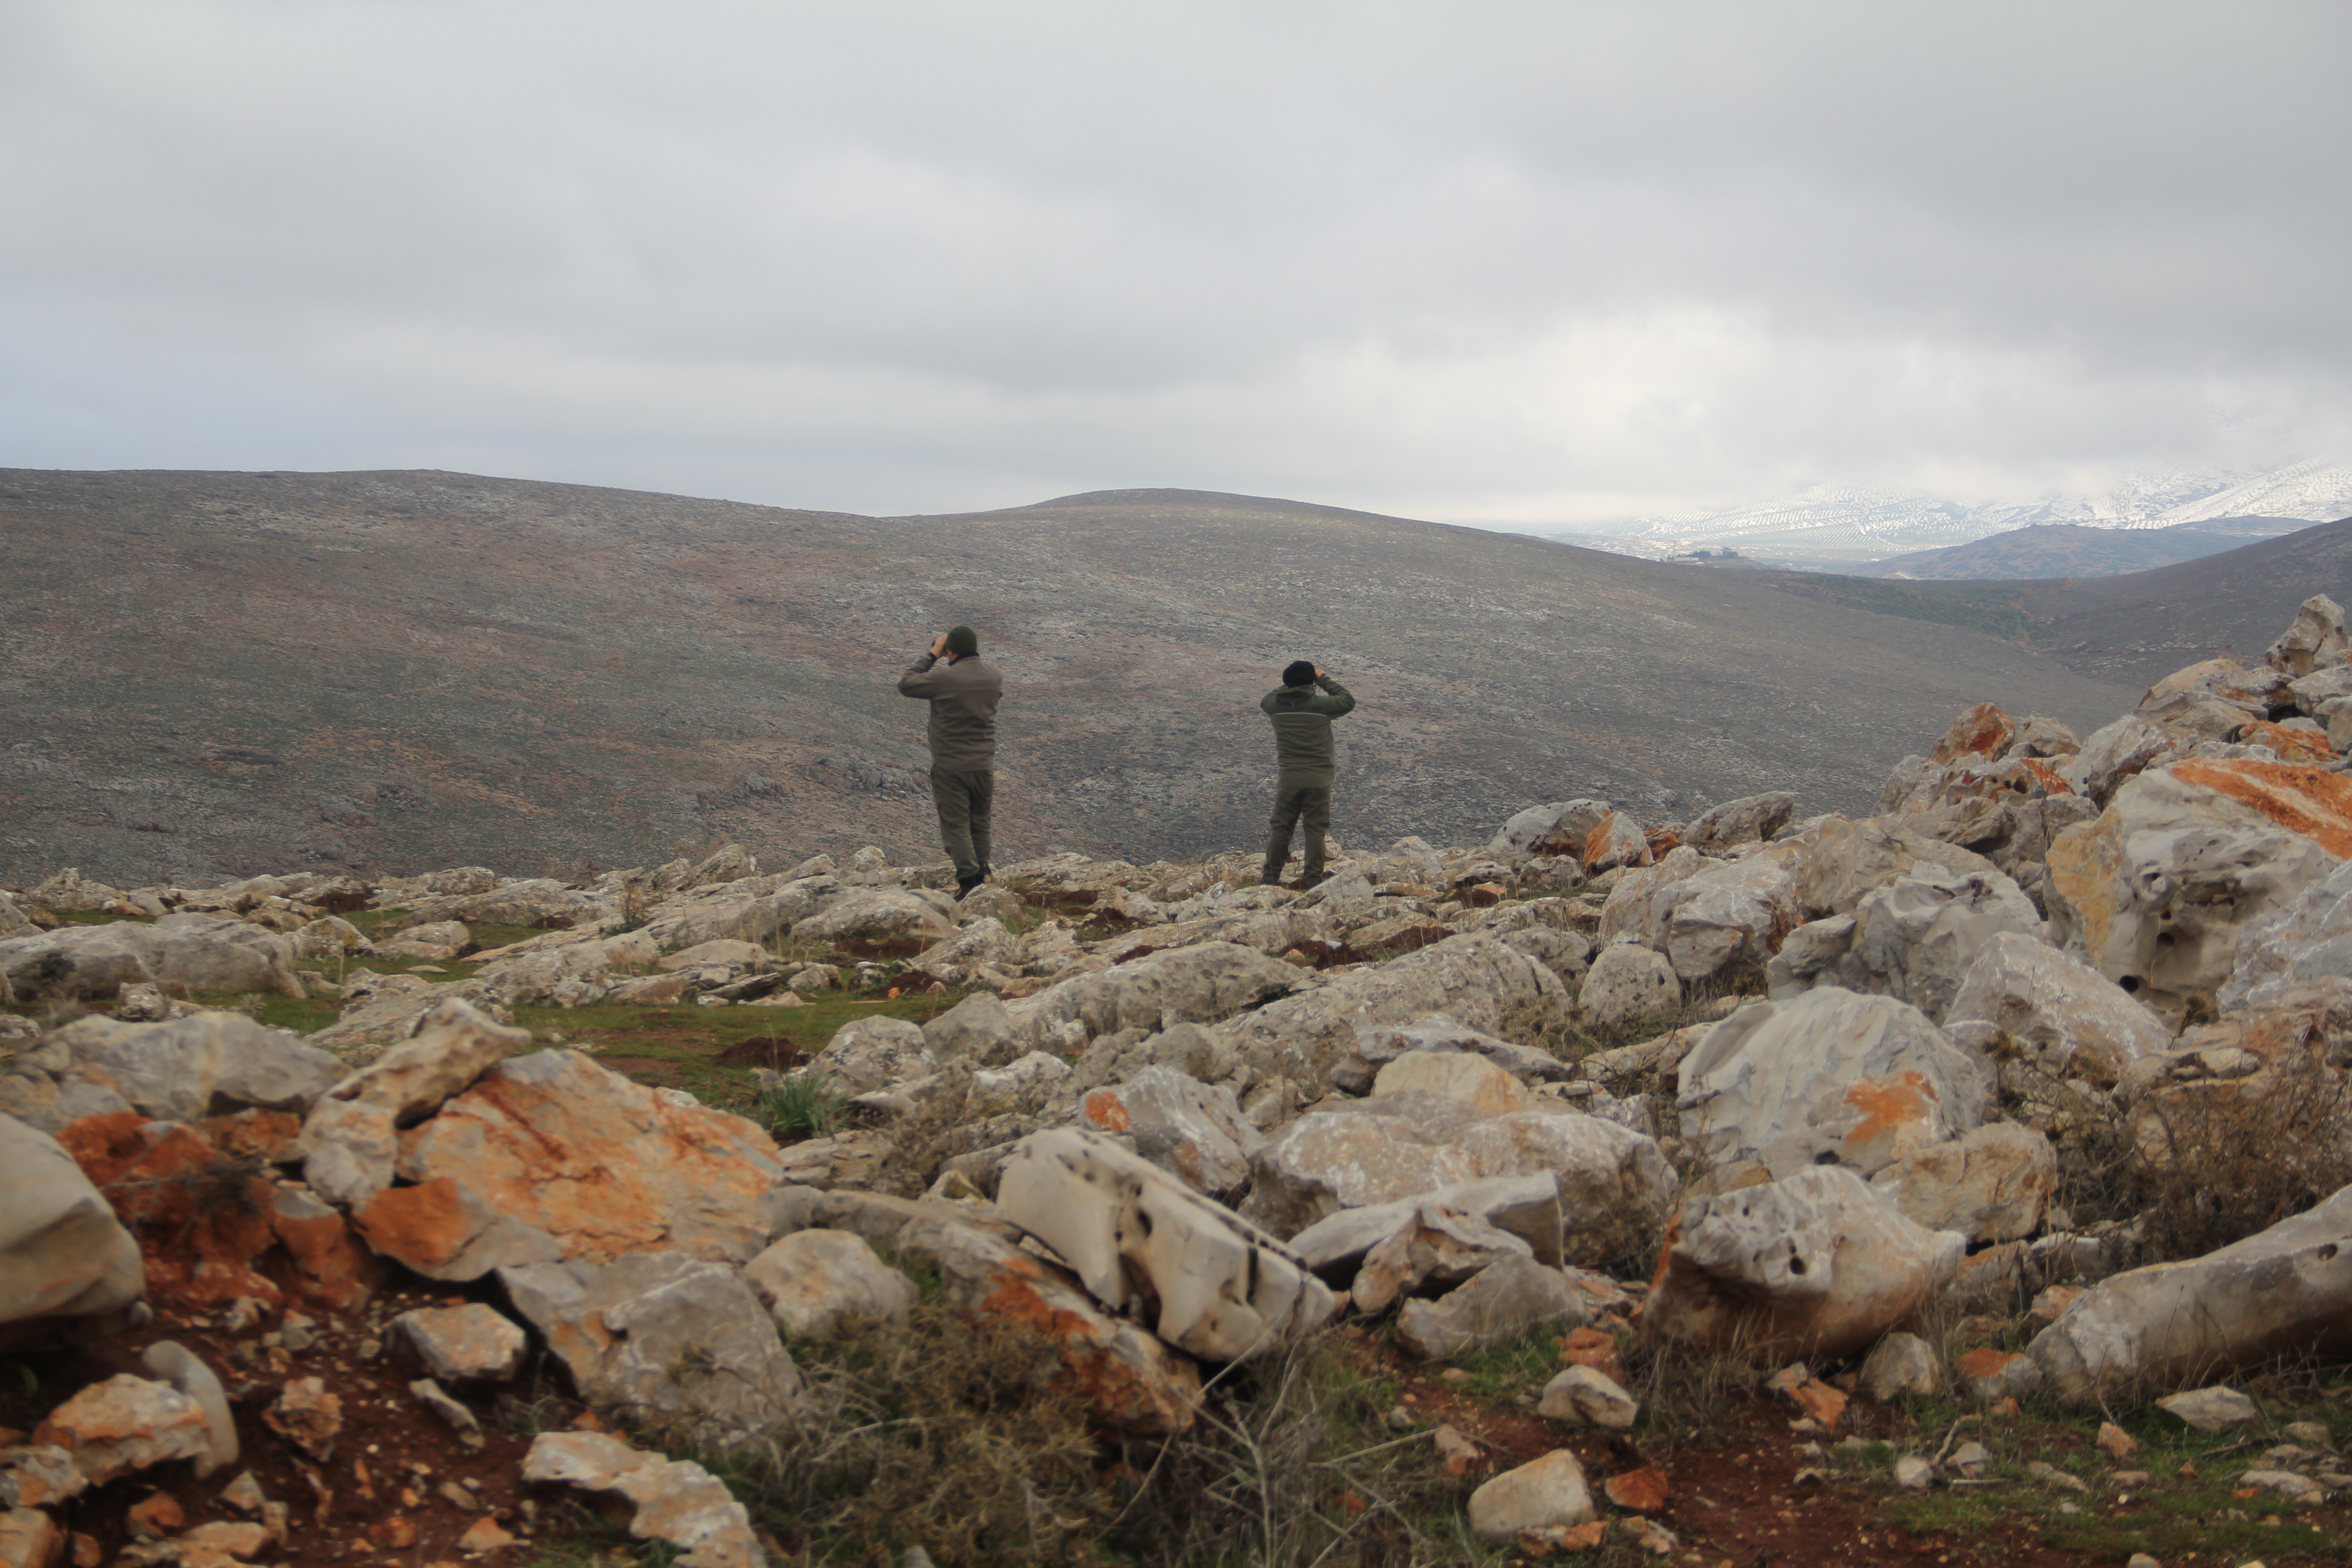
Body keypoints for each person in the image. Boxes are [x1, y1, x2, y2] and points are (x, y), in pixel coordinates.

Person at [897, 625, 1003, 898]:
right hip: (983, 764)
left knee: (956, 825)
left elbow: (906, 684)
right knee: (980, 823)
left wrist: (933, 655)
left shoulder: (945, 677)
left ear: (951, 650)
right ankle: (981, 876)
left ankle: (969, 884)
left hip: (951, 766)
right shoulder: (994, 676)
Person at [1260, 658, 1354, 887]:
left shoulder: (1275, 707)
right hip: (1319, 780)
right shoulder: (1320, 707)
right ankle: (1313, 879)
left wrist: (1291, 685)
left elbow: (1268, 698)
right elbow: (1347, 700)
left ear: (1287, 682)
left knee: (1281, 829)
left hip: (1289, 779)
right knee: (1315, 830)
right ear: (1311, 683)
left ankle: (1270, 878)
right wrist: (1322, 679)